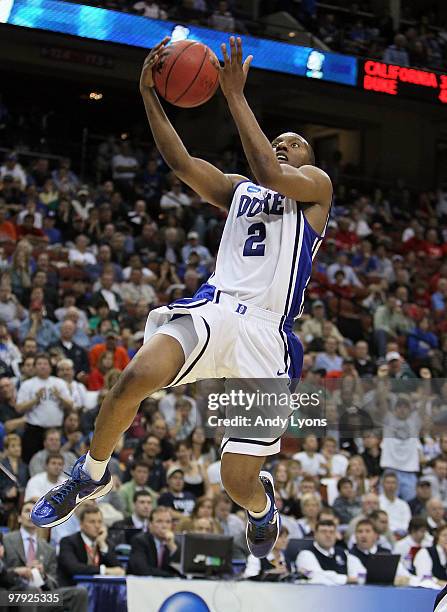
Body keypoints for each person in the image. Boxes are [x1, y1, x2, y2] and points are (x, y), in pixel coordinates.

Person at [31, 36, 332, 562]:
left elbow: (269, 171)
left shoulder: (314, 188)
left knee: (234, 479)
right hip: (215, 309)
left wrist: (235, 96)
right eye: (280, 139)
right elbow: (181, 162)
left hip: (265, 335)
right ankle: (91, 474)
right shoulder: (241, 191)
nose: (285, 144)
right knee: (134, 378)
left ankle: (262, 509)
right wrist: (147, 93)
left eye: (295, 142)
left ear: (310, 161)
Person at [3, 501, 88, 612]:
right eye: (27, 511)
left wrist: (43, 575)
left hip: (43, 598)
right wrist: (18, 571)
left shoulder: (48, 549)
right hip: (12, 595)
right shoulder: (6, 540)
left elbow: (54, 584)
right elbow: (2, 573)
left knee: (79, 593)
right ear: (19, 518)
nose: (30, 515)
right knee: (31, 591)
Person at [58, 505, 124, 586]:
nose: (97, 526)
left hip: (101, 590)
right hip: (74, 588)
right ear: (81, 525)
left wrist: (103, 545)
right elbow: (74, 568)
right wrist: (103, 570)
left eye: (99, 522)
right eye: (92, 522)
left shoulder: (106, 543)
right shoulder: (68, 542)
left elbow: (119, 569)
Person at [296, 520, 363, 585]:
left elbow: (361, 575)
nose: (328, 535)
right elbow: (316, 577)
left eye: (332, 532)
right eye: (323, 532)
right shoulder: (305, 554)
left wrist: (354, 579)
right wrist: (347, 579)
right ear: (315, 534)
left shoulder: (344, 552)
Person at [127, 507, 180, 576]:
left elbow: (182, 572)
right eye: (159, 521)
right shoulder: (140, 541)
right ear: (150, 524)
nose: (164, 526)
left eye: (168, 522)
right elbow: (142, 570)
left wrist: (172, 548)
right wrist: (170, 576)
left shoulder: (175, 544)